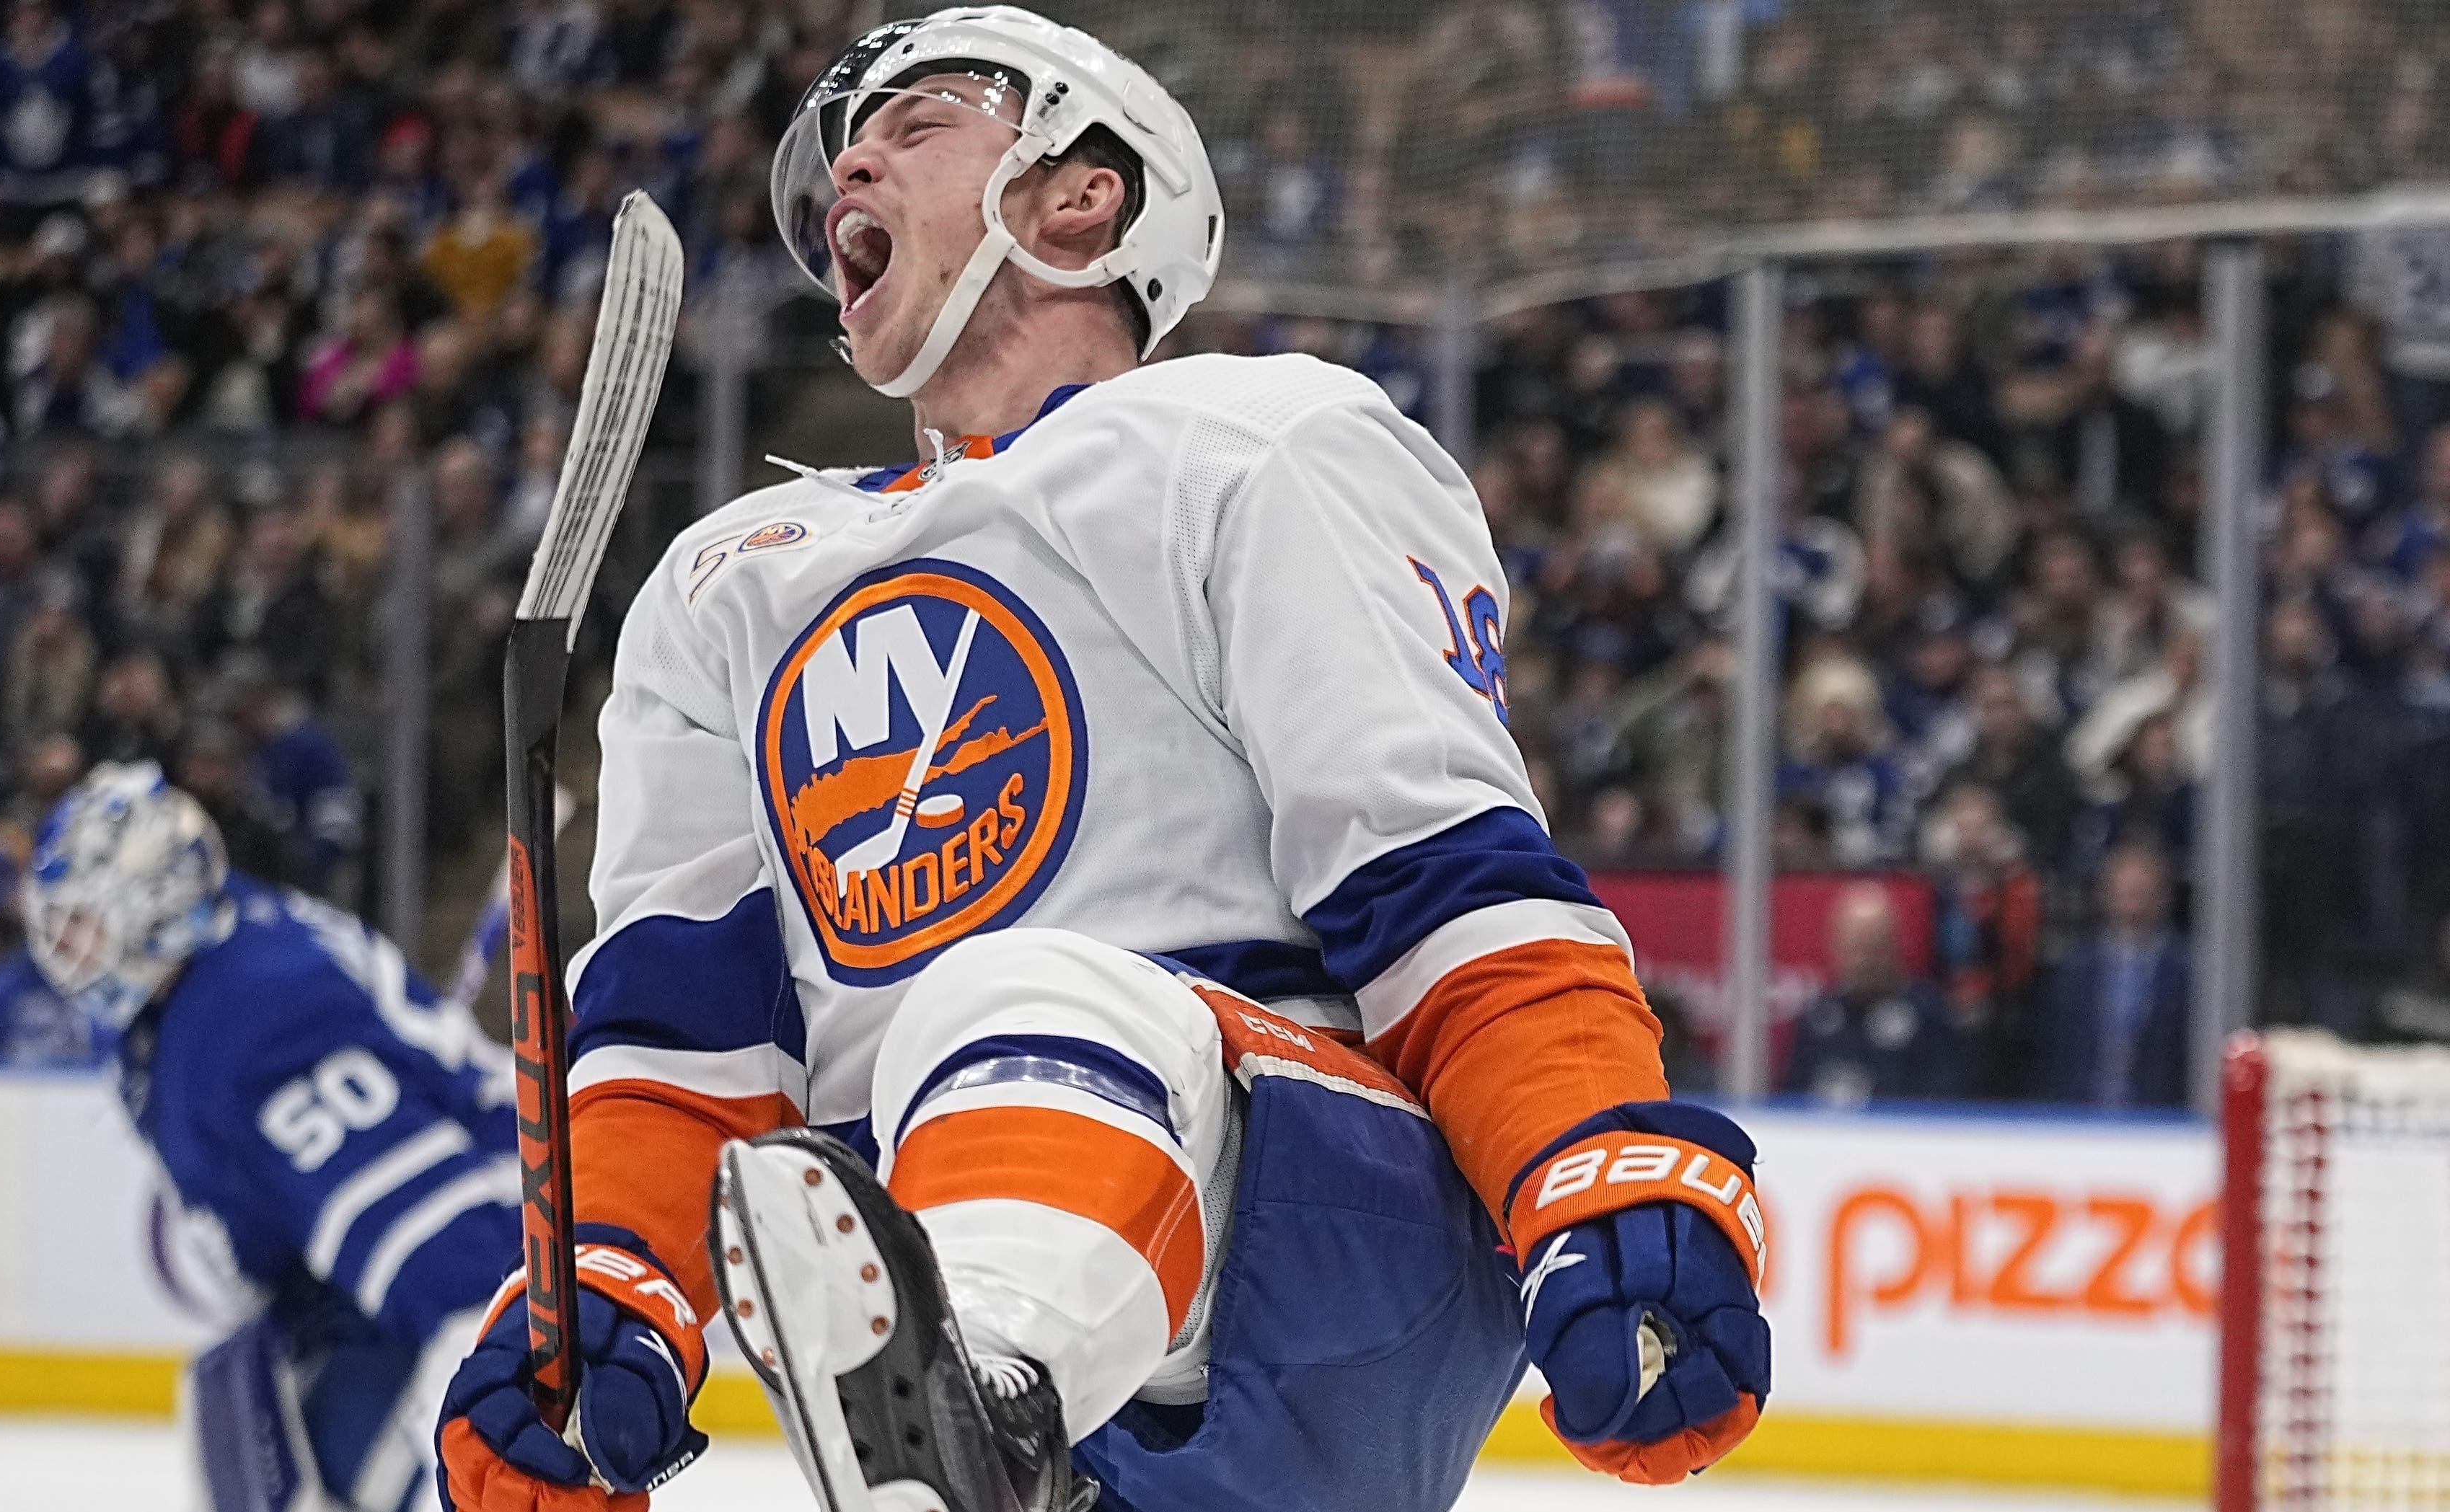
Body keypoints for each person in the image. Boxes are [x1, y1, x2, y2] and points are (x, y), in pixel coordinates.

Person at [436, 11, 1770, 1512]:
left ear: (1081, 195)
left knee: (1010, 991)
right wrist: (601, 1293)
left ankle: (968, 1430)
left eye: (918, 120)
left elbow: (1443, 876)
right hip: (945, 1242)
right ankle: (977, 1421)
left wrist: (1596, 1152)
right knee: (891, 1118)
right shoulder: (728, 579)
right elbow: (685, 1049)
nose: (846, 165)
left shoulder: (1253, 441)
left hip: (1312, 1252)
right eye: (837, 158)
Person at [25, 762, 517, 1512]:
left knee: (412, 1463)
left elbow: (445, 1252)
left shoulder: (254, 1018)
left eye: (86, 922)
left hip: (482, 1230)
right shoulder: (192, 976)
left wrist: (504, 1389)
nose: (68, 949)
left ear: (153, 906)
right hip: (353, 1281)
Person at [1780, 882, 1965, 1108]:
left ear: (1894, 944)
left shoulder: (1927, 1015)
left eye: (1872, 946)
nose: (1863, 960)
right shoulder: (1817, 1018)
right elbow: (1794, 1098)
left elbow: (1944, 1100)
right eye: (1854, 946)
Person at [2039, 844, 2192, 1108]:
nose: (2133, 906)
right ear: (2106, 895)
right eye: (2125, 894)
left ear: (2163, 897)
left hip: (2161, 1120)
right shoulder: (2077, 966)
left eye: (2141, 894)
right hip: (2081, 1116)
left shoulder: (2186, 971)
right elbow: (2056, 1049)